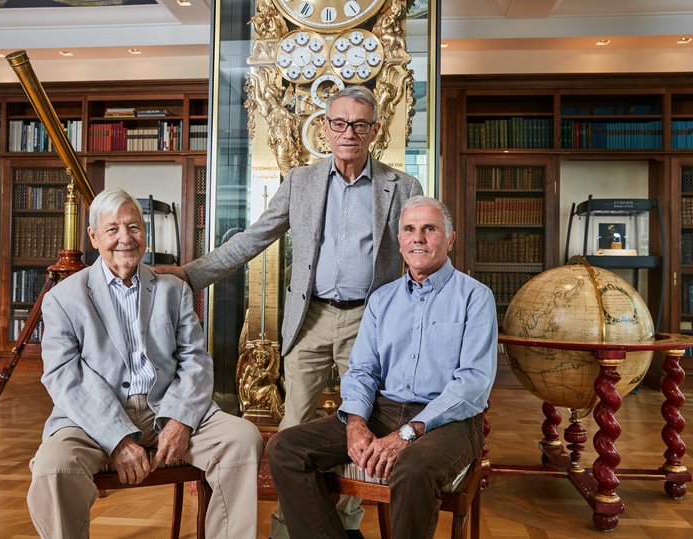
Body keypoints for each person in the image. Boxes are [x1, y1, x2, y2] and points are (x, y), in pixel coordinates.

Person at [158, 85, 422, 537]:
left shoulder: (402, 187)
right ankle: (288, 528)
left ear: (375, 130)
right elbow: (254, 238)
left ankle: (344, 523)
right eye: (339, 123)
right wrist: (191, 273)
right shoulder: (300, 182)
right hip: (312, 319)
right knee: (296, 429)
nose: (349, 133)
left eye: (359, 124)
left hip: (370, 321)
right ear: (325, 129)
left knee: (360, 428)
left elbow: (423, 247)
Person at [27, 188, 263, 539]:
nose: (125, 238)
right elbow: (65, 377)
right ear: (93, 237)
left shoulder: (174, 290)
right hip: (93, 418)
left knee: (243, 439)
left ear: (145, 236)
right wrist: (118, 438)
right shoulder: (63, 298)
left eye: (134, 227)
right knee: (53, 468)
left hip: (165, 409)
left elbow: (195, 360)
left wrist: (181, 418)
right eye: (112, 230)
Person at [267, 196, 498, 539]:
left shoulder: (475, 297)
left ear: (449, 239)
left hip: (449, 421)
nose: (418, 237)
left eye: (429, 229)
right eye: (409, 229)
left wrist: (409, 432)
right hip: (382, 411)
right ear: (400, 240)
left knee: (413, 467)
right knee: (285, 449)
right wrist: (355, 423)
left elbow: (472, 384)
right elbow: (362, 370)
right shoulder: (382, 300)